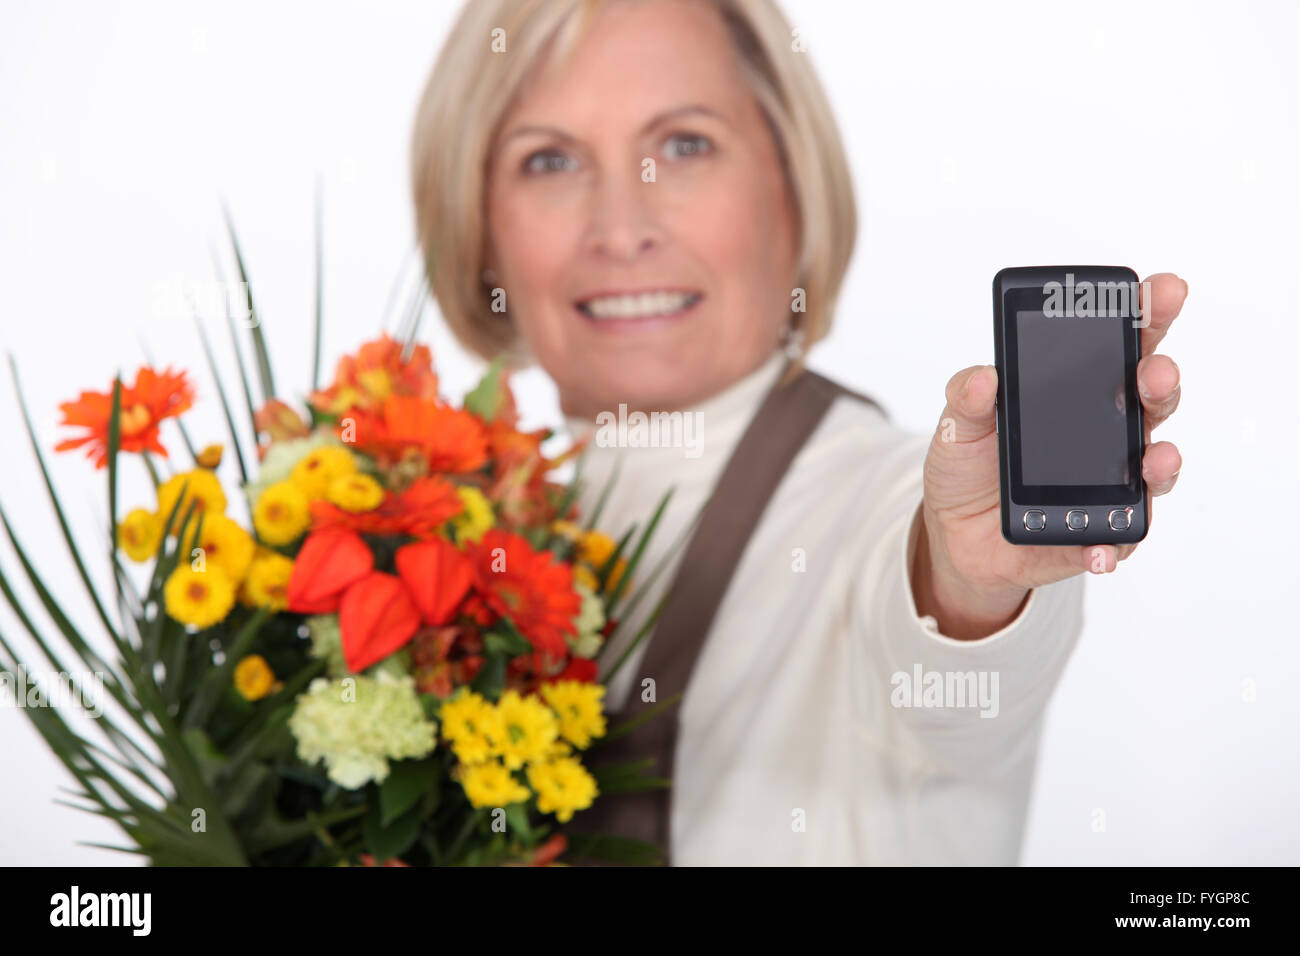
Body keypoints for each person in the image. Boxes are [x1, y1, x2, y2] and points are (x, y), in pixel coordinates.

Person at [409, 0, 1186, 865]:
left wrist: (970, 584)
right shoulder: (438, 538)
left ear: (791, 180)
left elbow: (948, 646)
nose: (622, 229)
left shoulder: (877, 507)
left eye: (684, 145)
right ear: (477, 218)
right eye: (549, 160)